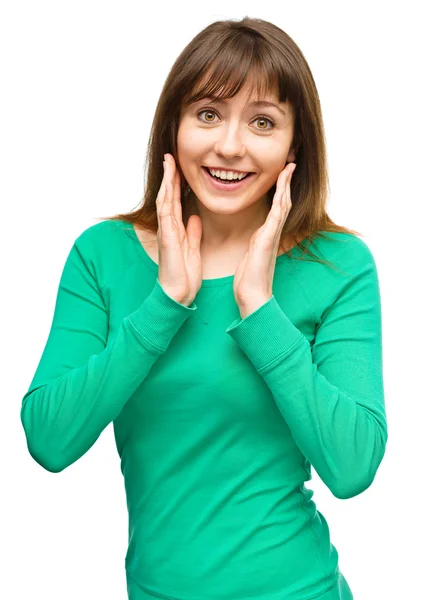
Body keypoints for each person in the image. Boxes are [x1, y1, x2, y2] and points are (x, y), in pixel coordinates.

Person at [20, 16, 387, 600]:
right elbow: (49, 439)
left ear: (297, 145)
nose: (230, 145)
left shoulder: (338, 265)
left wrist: (261, 311)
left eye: (262, 122)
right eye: (208, 113)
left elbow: (352, 466)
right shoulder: (102, 255)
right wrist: (164, 303)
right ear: (175, 125)